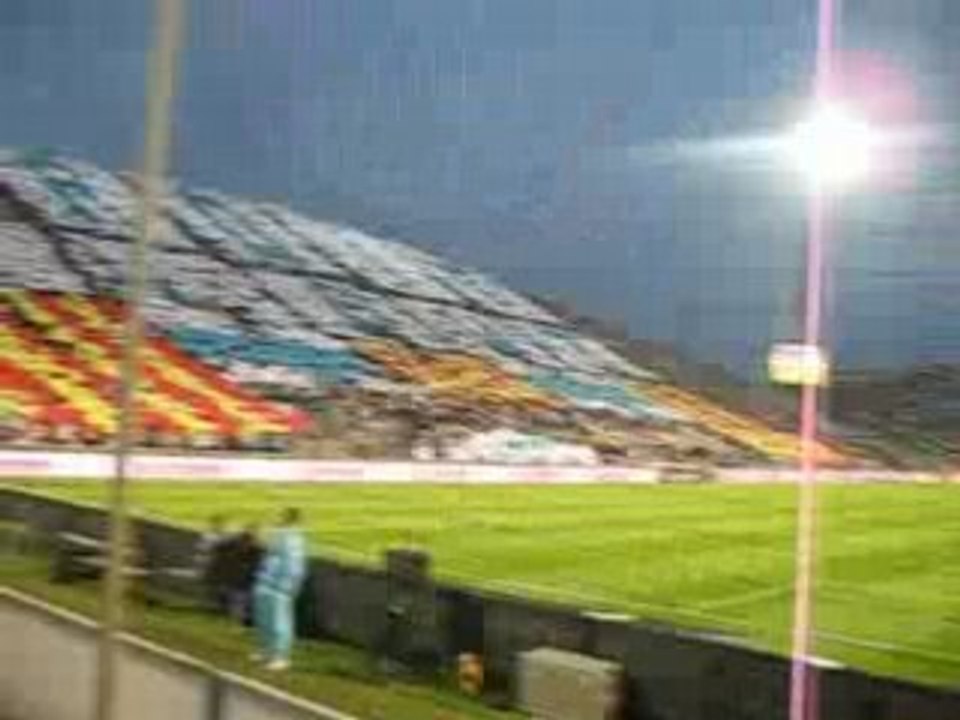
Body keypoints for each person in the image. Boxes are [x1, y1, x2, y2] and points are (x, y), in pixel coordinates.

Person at [252, 507, 307, 671]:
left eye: (282, 516)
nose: (279, 518)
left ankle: (280, 657)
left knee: (279, 623)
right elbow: (268, 555)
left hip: (280, 586)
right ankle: (264, 650)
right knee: (263, 619)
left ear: (291, 519)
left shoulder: (294, 539)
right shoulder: (279, 534)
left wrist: (290, 586)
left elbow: (295, 566)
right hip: (266, 581)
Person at [221, 522, 263, 625]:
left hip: (246, 581)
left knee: (243, 600)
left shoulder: (256, 549)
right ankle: (240, 619)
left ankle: (244, 619)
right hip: (241, 581)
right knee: (239, 600)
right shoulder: (237, 543)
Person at [196, 514, 231, 612]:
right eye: (218, 524)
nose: (220, 526)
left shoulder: (222, 536)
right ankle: (215, 605)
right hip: (211, 566)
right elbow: (204, 552)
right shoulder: (209, 537)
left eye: (221, 525)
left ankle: (220, 605)